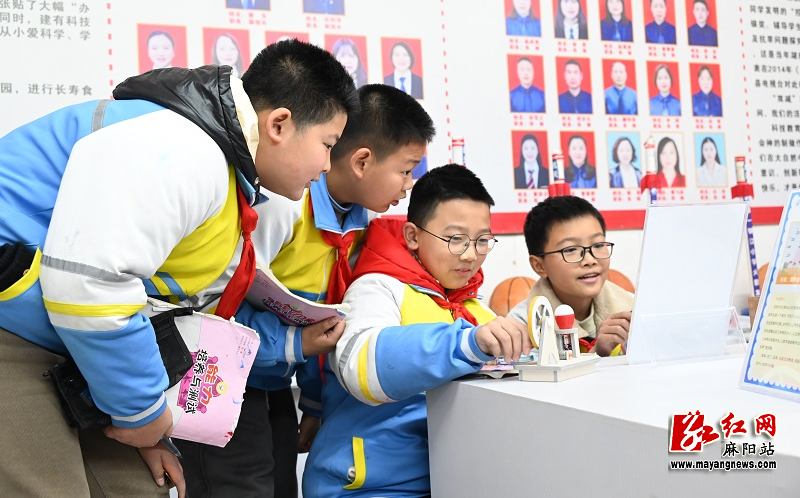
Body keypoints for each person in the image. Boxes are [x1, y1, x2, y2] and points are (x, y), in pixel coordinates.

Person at [0, 39, 359, 497]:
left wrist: (146, 422)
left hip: (66, 340)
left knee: (140, 488)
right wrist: (142, 415)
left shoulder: (224, 171)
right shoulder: (186, 148)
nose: (326, 166)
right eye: (327, 145)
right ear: (279, 124)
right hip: (16, 322)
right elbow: (90, 286)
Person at [177, 84, 435, 498]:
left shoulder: (359, 225)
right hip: (218, 376)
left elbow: (326, 318)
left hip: (273, 381)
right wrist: (294, 343)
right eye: (406, 170)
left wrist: (313, 402)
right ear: (362, 161)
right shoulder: (283, 204)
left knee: (281, 486)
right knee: (238, 487)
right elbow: (213, 306)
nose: (409, 185)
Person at [303, 164, 531, 497]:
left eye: (482, 241)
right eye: (455, 239)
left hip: (450, 482)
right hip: (368, 487)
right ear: (413, 236)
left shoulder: (476, 312)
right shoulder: (375, 288)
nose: (471, 255)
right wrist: (466, 343)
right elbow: (362, 368)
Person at [509, 196, 634, 357]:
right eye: (570, 250)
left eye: (598, 245)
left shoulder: (631, 307)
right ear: (540, 266)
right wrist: (598, 353)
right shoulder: (522, 326)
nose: (589, 260)